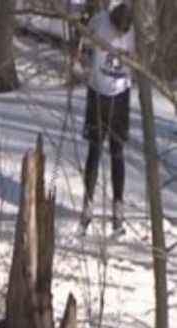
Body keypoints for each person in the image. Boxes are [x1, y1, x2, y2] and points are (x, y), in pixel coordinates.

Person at [79, 1, 135, 234]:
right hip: (97, 92)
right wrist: (80, 63)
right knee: (94, 149)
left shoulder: (135, 33)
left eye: (123, 31)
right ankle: (88, 204)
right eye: (117, 29)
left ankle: (118, 207)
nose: (119, 34)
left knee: (117, 152)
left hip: (121, 95)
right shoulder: (99, 23)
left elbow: (142, 61)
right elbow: (84, 50)